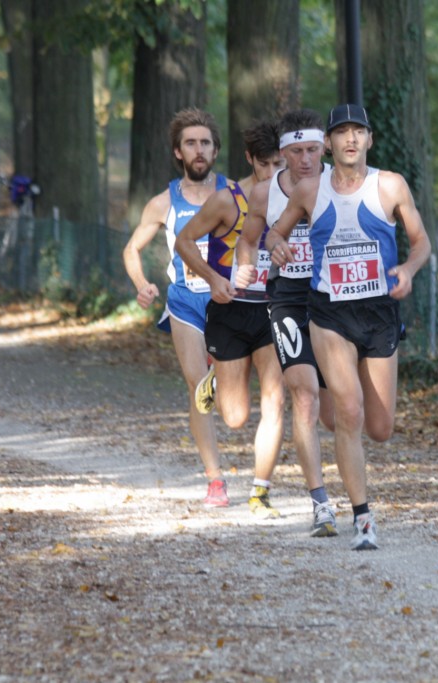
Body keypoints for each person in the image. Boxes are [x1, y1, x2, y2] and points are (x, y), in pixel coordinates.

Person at [258, 104, 431, 550]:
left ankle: (349, 446)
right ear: (330, 144)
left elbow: (421, 242)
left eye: (359, 132)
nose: (350, 139)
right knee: (349, 412)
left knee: (380, 426)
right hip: (329, 313)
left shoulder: (389, 185)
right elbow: (275, 233)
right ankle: (363, 519)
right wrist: (277, 248)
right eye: (342, 133)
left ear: (370, 140)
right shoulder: (311, 191)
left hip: (378, 312)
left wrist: (408, 270)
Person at [121, 107, 235, 508]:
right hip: (185, 302)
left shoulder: (235, 194)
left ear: (215, 151)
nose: (199, 149)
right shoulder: (162, 203)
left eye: (205, 142)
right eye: (191, 143)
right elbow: (132, 249)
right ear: (178, 152)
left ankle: (225, 380)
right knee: (197, 386)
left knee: (230, 402)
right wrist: (142, 285)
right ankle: (215, 480)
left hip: (229, 302)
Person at [174, 120, 287, 519]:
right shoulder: (228, 199)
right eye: (266, 164)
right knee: (235, 417)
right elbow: (184, 241)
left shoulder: (298, 197)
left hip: (274, 308)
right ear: (250, 160)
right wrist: (213, 279)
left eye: (280, 164)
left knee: (275, 398)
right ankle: (218, 378)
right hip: (230, 310)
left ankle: (260, 491)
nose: (274, 174)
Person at [234, 108, 339, 538]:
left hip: (335, 299)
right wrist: (246, 265)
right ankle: (320, 505)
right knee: (305, 396)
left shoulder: (343, 184)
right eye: (296, 151)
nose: (306, 159)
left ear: (325, 148)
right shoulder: (264, 194)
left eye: (314, 149)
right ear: (282, 152)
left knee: (343, 415)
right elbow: (248, 239)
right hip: (288, 298)